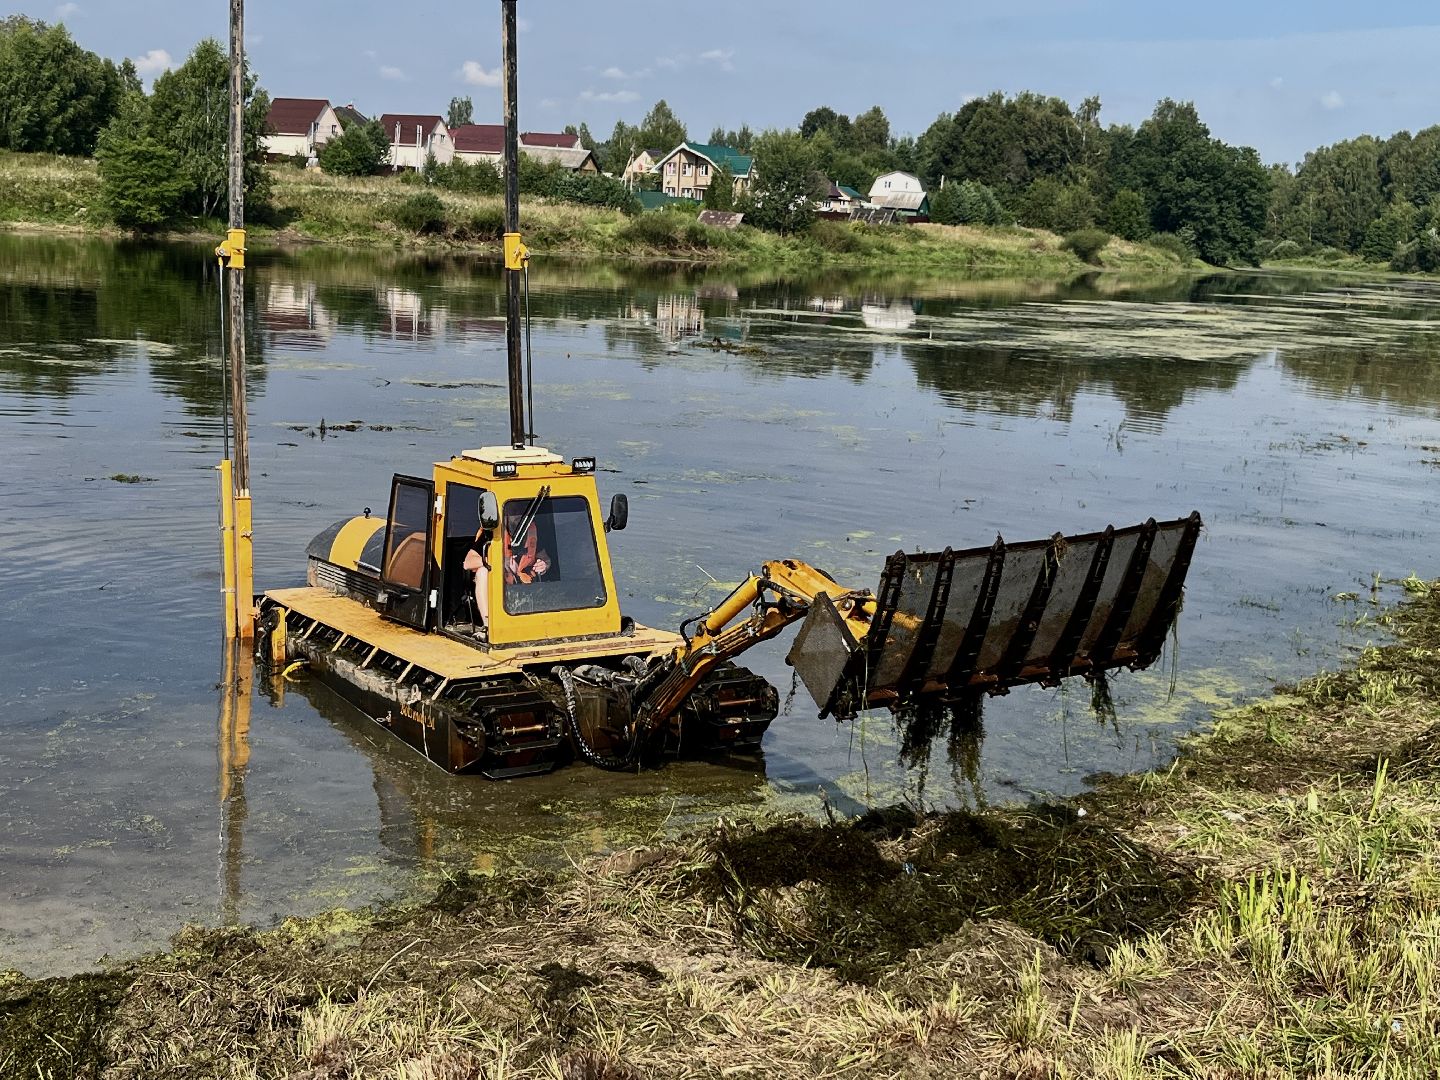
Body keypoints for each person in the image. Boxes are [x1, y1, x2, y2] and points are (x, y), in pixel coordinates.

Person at [461, 503, 549, 634]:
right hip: (499, 585)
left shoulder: (532, 530)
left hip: (526, 586)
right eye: (513, 510)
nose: (518, 514)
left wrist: (545, 564)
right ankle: (488, 627)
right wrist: (495, 561)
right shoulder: (492, 532)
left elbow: (545, 557)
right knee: (482, 572)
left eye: (521, 510)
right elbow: (467, 563)